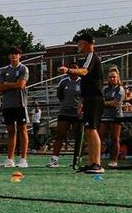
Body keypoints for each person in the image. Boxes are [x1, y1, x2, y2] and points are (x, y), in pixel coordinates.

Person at [69, 33, 104, 172]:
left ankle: (97, 163)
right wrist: (83, 101)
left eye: (80, 43)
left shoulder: (91, 55)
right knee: (89, 130)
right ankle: (91, 162)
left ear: (87, 43)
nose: (78, 46)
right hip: (89, 99)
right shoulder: (87, 57)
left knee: (92, 129)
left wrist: (69, 70)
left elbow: (84, 71)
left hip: (95, 98)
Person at [0, 48, 29, 168]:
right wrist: (10, 85)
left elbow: (21, 85)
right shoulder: (4, 70)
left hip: (20, 103)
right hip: (7, 104)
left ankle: (23, 159)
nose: (14, 56)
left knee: (23, 130)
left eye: (16, 54)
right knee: (11, 131)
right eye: (12, 54)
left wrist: (7, 84)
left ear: (20, 55)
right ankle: (10, 158)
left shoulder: (23, 68)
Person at [50, 64, 82, 168]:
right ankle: (54, 159)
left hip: (77, 114)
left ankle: (77, 159)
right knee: (60, 135)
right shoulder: (63, 82)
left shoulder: (82, 81)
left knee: (79, 136)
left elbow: (84, 96)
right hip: (64, 112)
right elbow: (59, 95)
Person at [101, 67, 126, 165]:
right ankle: (97, 158)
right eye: (110, 77)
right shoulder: (105, 89)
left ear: (117, 78)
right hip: (105, 116)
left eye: (114, 77)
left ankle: (114, 160)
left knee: (115, 138)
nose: (112, 79)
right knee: (100, 136)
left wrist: (105, 103)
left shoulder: (120, 89)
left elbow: (115, 103)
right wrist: (107, 103)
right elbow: (100, 101)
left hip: (116, 116)